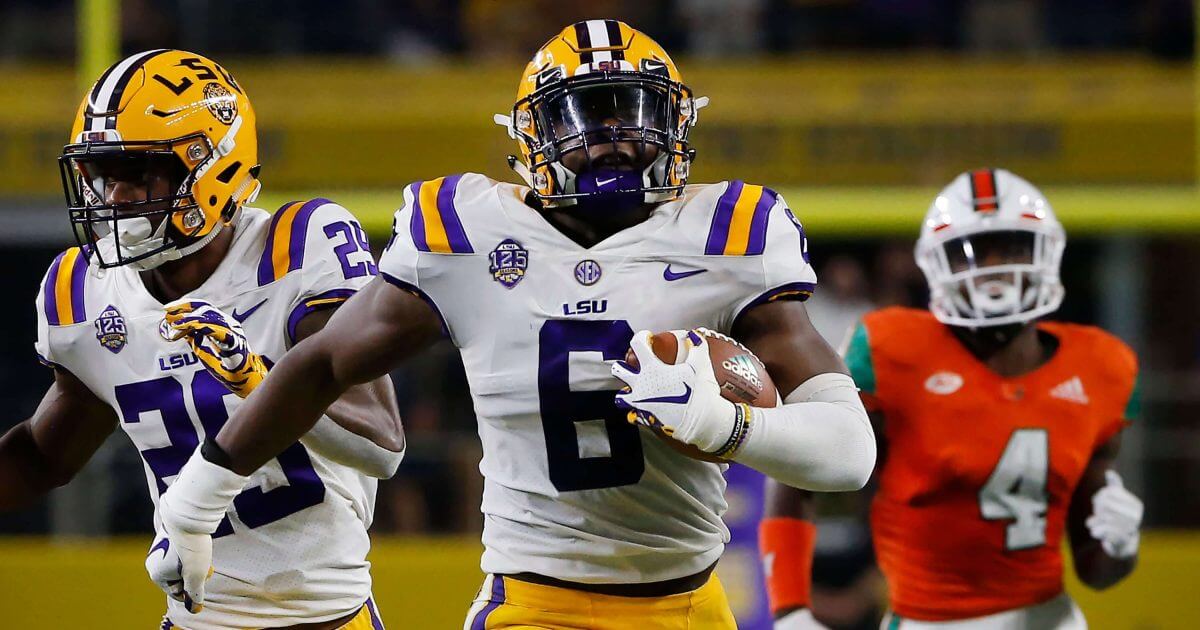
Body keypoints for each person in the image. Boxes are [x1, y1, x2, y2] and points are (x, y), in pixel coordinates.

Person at [156, 21, 876, 629]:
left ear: (676, 125)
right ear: (532, 131)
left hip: (689, 600)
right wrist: (193, 504)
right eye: (586, 117)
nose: (614, 140)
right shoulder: (466, 234)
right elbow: (319, 365)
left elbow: (848, 452)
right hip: (535, 603)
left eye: (633, 112)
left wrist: (726, 426)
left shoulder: (727, 238)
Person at [0, 50, 404, 629]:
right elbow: (43, 456)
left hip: (325, 617)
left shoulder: (297, 249)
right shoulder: (85, 291)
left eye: (138, 174)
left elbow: (382, 444)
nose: (114, 198)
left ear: (212, 166)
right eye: (103, 175)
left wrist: (260, 380)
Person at [760, 169, 1143, 629]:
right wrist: (789, 609)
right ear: (938, 264)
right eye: (974, 253)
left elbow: (1097, 572)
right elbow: (796, 475)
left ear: (1045, 253)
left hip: (1048, 617)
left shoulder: (1100, 364)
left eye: (1012, 247)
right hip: (928, 619)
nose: (995, 268)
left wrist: (1120, 547)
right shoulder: (891, 348)